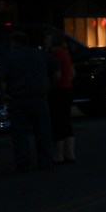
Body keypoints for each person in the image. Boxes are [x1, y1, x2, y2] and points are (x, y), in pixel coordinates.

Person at [0, 31, 58, 171]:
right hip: (39, 97)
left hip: (18, 98)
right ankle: (45, 160)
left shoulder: (9, 57)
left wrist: (4, 94)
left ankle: (23, 161)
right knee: (43, 131)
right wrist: (48, 87)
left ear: (14, 42)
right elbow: (56, 73)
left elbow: (0, 79)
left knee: (20, 133)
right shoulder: (41, 55)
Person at [47, 32, 76, 164]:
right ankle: (70, 153)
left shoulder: (54, 55)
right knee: (66, 121)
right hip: (67, 89)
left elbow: (56, 75)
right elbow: (72, 72)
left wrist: (50, 85)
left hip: (57, 90)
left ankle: (58, 154)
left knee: (57, 122)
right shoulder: (66, 53)